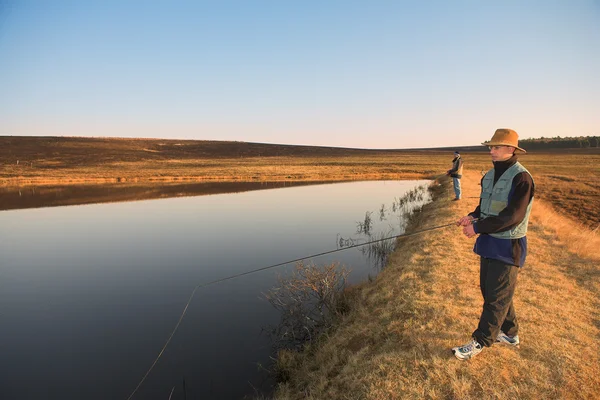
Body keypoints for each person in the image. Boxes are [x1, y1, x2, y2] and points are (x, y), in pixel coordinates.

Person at [452, 128, 535, 360]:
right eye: (491, 146)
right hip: (489, 242)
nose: (492, 150)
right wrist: (472, 216)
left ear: (511, 149)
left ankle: (481, 340)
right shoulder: (489, 175)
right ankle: (509, 333)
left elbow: (513, 216)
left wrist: (476, 228)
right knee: (493, 292)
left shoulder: (522, 178)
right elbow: (484, 208)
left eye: (497, 147)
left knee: (496, 297)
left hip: (508, 246)